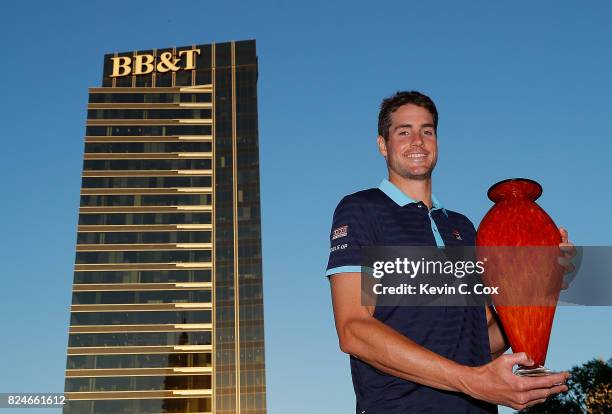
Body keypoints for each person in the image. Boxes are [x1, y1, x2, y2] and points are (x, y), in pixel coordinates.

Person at [326, 91, 574, 413]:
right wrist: (471, 380)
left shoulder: (464, 228)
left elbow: (482, 342)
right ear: (382, 145)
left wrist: (540, 286)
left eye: (427, 131)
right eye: (404, 131)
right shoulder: (361, 209)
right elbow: (353, 330)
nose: (418, 141)